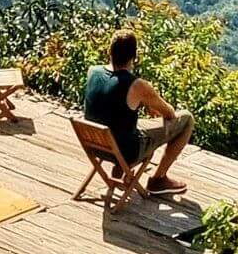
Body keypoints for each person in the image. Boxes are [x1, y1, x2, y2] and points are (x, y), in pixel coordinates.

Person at [82, 27, 194, 195]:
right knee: (187, 119)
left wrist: (143, 102)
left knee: (123, 121)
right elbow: (169, 113)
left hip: (95, 146)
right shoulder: (137, 85)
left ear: (109, 51)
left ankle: (121, 170)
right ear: (134, 57)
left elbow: (112, 103)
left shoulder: (93, 71)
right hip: (126, 151)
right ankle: (158, 179)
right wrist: (148, 100)